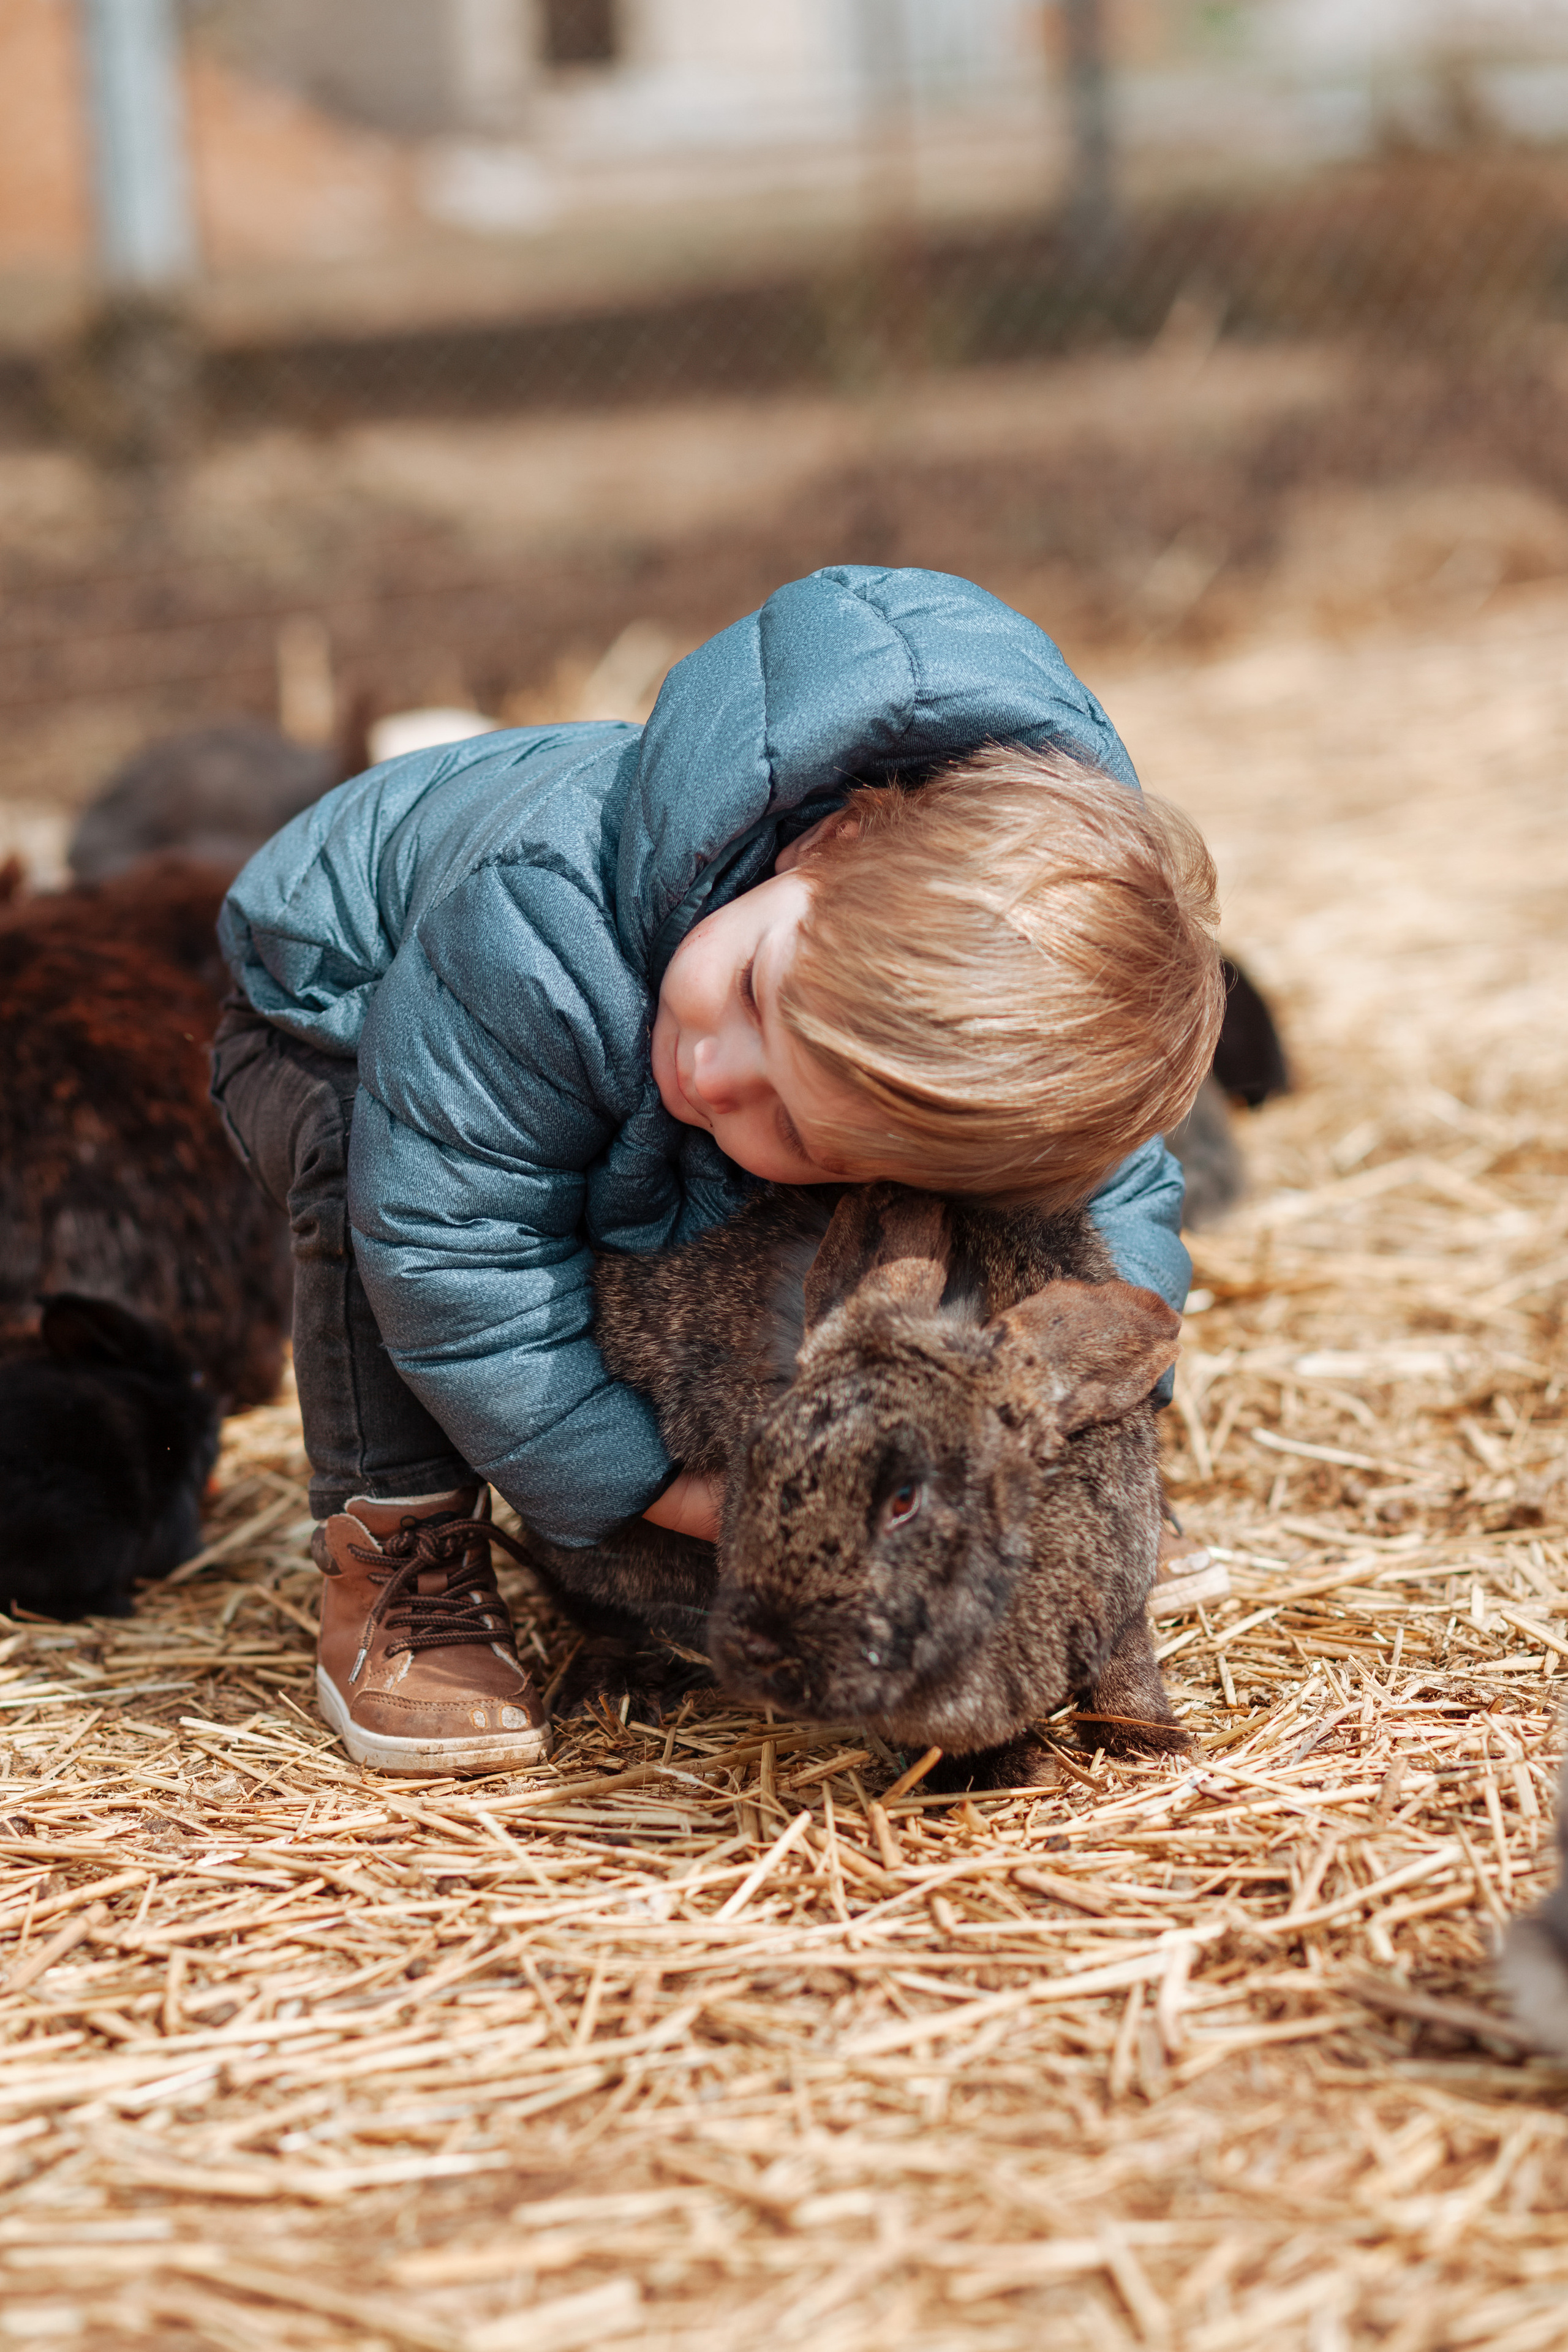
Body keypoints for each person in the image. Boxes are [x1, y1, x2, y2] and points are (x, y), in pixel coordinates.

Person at [211, 565, 1223, 1777]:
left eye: (797, 1125)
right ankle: (397, 1564)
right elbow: (452, 1249)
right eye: (751, 992)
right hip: (336, 1012)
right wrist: (646, 1483)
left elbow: (1107, 1197)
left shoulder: (930, 964)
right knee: (373, 1196)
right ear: (829, 835)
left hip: (565, 1037)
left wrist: (1065, 1426)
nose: (712, 1068)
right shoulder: (537, 929)